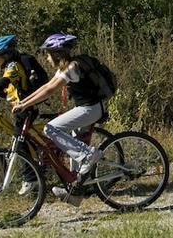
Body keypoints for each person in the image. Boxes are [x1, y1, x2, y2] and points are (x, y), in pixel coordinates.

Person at [12, 33, 105, 207]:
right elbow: (45, 86)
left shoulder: (71, 68)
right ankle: (76, 193)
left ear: (56, 54)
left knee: (50, 129)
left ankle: (88, 155)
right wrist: (23, 102)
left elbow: (49, 91)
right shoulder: (66, 67)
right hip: (89, 107)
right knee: (73, 145)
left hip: (90, 109)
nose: (46, 58)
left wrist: (25, 106)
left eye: (47, 54)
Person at [0, 34, 44, 196]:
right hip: (23, 106)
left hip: (27, 107)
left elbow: (5, 81)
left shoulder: (13, 65)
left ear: (6, 54)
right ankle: (38, 165)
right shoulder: (14, 65)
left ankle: (31, 179)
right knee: (22, 139)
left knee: (19, 141)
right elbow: (13, 86)